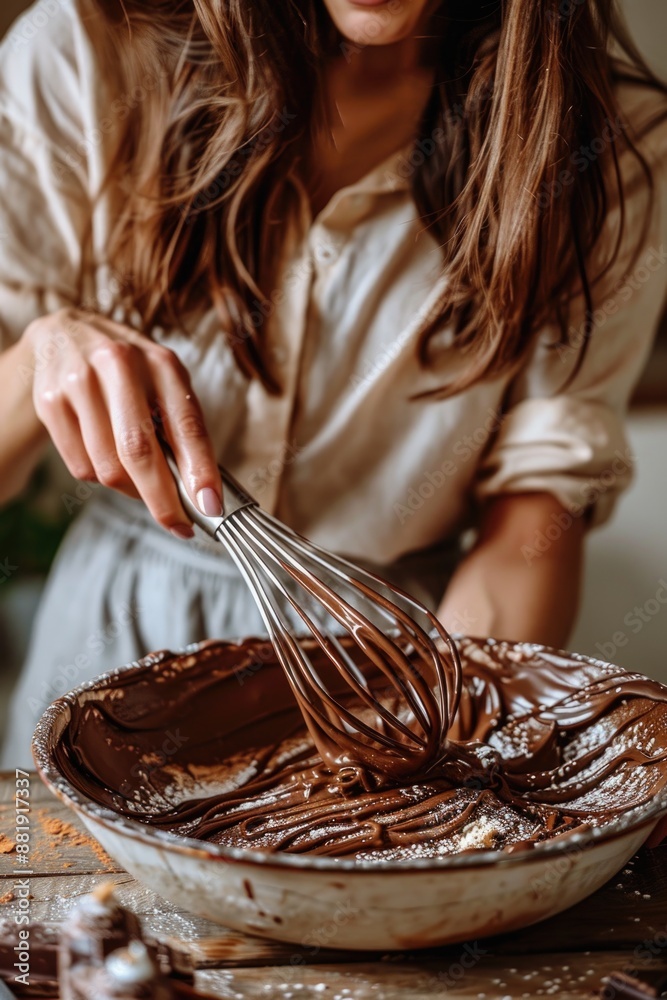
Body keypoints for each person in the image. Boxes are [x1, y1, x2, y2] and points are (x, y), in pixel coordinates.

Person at [0, 0, 666, 767]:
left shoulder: (602, 145)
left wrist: (438, 746)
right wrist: (38, 357)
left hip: (400, 662)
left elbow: (535, 513)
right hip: (107, 641)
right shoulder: (84, 50)